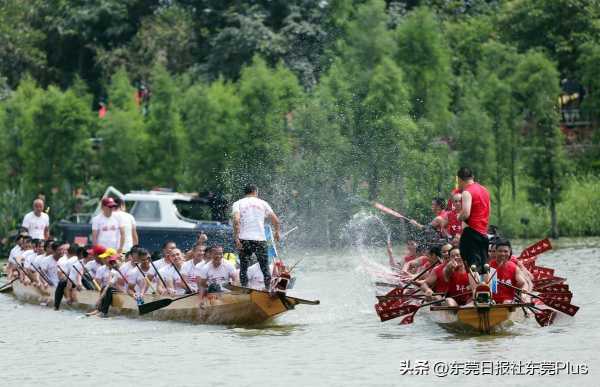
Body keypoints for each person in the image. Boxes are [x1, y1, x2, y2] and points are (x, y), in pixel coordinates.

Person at [232, 184, 280, 290]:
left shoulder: (238, 203)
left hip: (244, 239)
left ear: (245, 193)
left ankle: (244, 289)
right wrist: (277, 232)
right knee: (265, 267)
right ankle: (268, 289)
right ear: (255, 192)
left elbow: (236, 220)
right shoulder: (263, 203)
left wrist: (236, 238)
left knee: (244, 267)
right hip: (260, 240)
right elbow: (276, 220)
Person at [456, 167, 491, 276]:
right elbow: (489, 210)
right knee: (484, 263)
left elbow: (466, 213)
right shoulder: (485, 190)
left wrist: (458, 217)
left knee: (471, 264)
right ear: (473, 177)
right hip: (483, 233)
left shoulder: (467, 192)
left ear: (460, 180)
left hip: (471, 232)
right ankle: (486, 285)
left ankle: (475, 288)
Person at [490, 239, 531, 304]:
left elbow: (524, 283)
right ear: (495, 252)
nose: (503, 254)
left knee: (506, 302)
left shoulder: (514, 268)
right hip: (491, 300)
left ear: (510, 253)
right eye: (500, 251)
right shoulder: (489, 266)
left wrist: (524, 293)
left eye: (506, 251)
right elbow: (489, 287)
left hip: (507, 301)